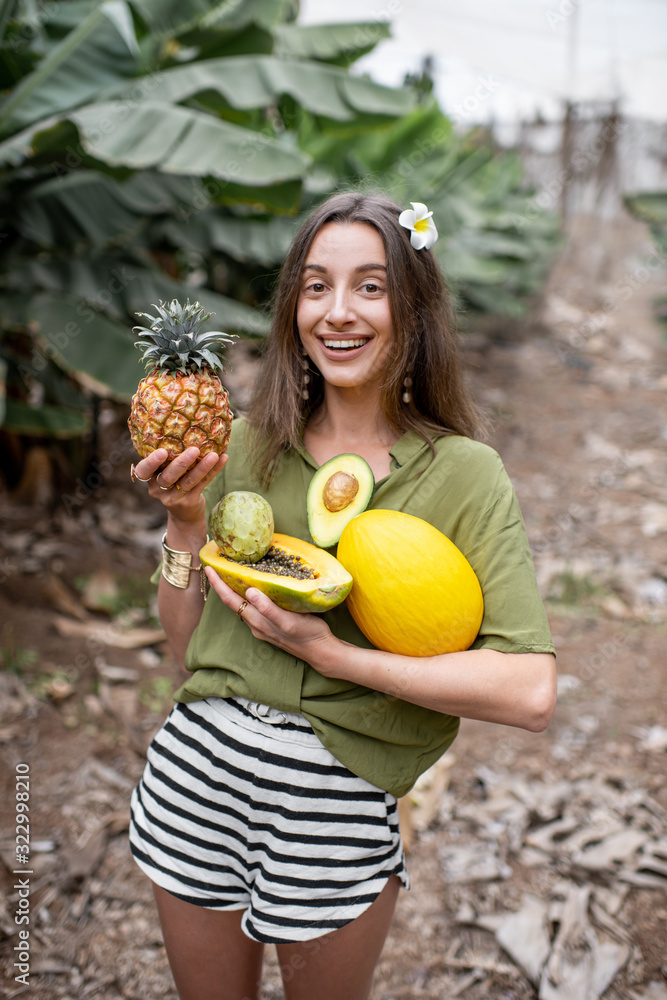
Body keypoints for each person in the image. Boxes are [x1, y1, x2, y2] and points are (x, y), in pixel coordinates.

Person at [128, 191, 557, 1000]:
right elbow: (184, 651)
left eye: (369, 285)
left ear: (414, 306)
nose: (337, 311)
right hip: (196, 772)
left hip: (334, 798)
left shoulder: (465, 474)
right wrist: (186, 522)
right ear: (293, 306)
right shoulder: (243, 444)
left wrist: (329, 656)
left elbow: (528, 692)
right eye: (315, 285)